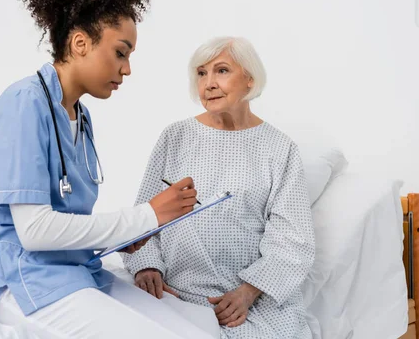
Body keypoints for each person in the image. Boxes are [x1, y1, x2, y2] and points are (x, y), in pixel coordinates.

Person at [0, 0, 216, 339]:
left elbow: (72, 222)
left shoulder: (79, 115)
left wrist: (126, 238)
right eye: (120, 53)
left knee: (202, 327)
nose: (127, 69)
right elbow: (34, 232)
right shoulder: (23, 104)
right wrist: (146, 217)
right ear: (80, 43)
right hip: (24, 280)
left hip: (76, 271)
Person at [122, 36, 316, 339]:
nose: (208, 83)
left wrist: (248, 293)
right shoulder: (176, 137)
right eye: (201, 73)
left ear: (250, 79)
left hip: (248, 302)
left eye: (221, 71)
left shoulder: (279, 149)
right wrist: (147, 269)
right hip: (174, 292)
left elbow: (293, 241)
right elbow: (144, 217)